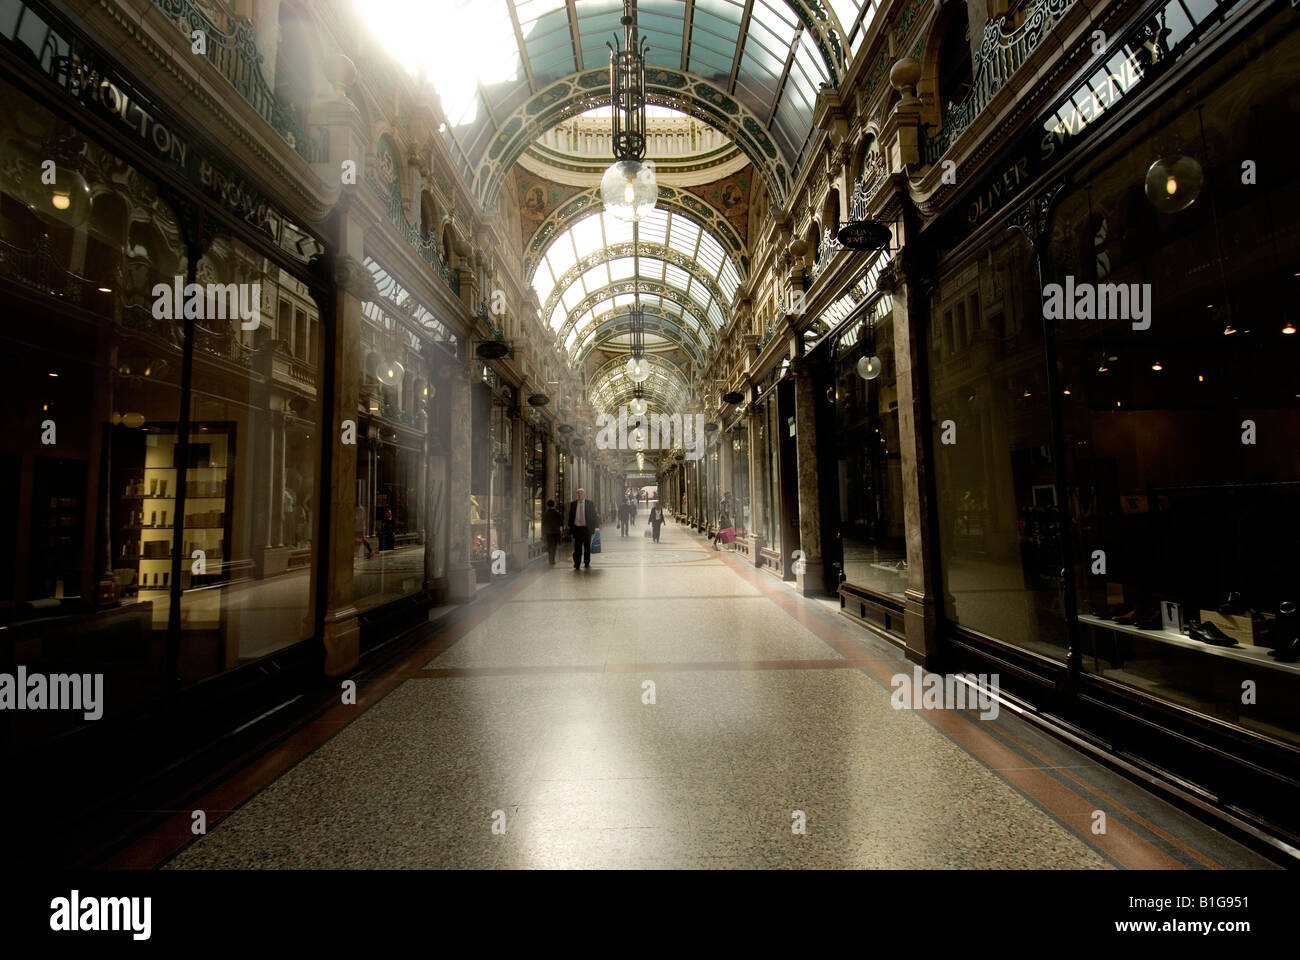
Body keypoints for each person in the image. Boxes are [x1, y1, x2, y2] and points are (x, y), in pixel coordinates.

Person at [568, 488, 599, 569]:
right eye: (578, 493)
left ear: (584, 494)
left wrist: (596, 527)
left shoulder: (590, 503)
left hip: (586, 529)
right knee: (577, 548)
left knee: (587, 547)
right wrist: (570, 528)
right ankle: (577, 563)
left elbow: (594, 516)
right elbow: (570, 516)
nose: (579, 495)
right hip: (577, 529)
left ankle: (586, 562)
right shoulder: (573, 504)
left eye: (581, 493)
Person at [541, 499, 563, 564]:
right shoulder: (557, 513)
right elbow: (561, 523)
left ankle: (550, 558)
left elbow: (543, 524)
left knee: (549, 545)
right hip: (555, 532)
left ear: (547, 505)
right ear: (554, 505)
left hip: (548, 532)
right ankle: (552, 559)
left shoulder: (545, 514)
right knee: (554, 546)